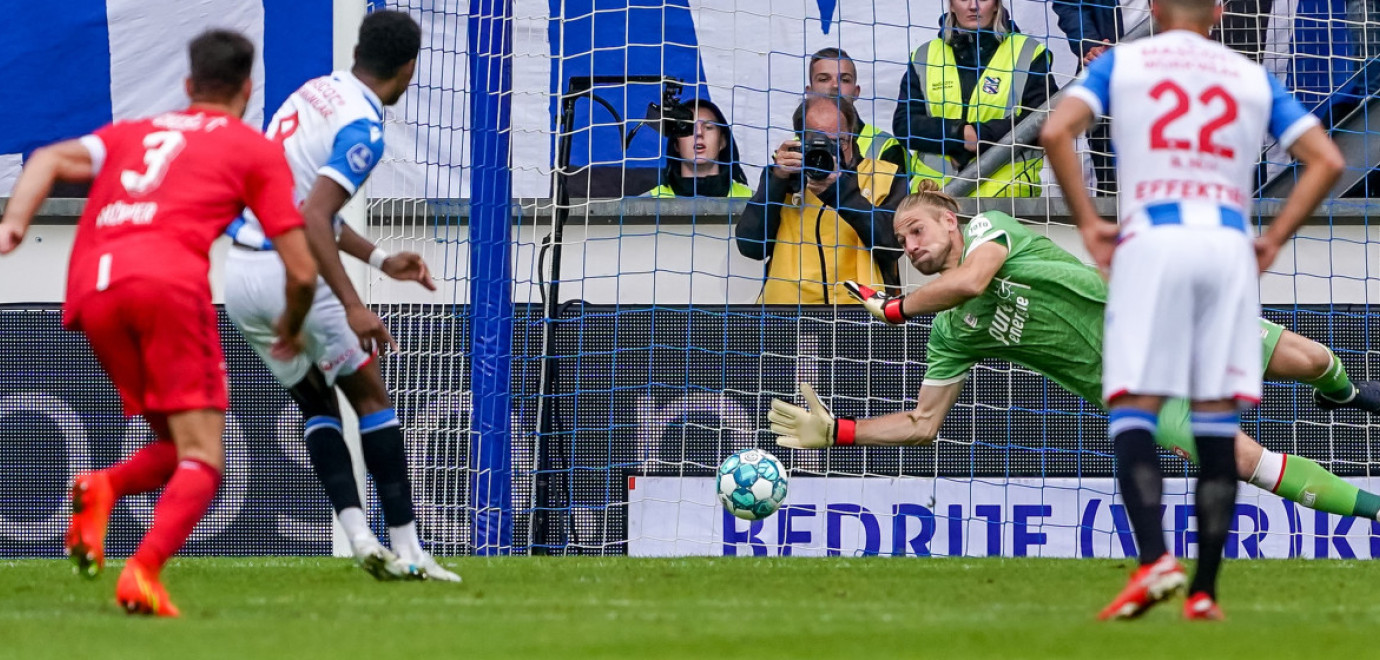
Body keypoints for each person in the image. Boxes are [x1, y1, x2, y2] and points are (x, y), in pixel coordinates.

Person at [773, 189, 1380, 533]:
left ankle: (1346, 395)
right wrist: (837, 434)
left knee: (1312, 358)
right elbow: (922, 424)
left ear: (949, 220)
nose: (910, 246)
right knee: (1245, 460)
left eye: (916, 230)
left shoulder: (990, 229)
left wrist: (897, 308)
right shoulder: (950, 334)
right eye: (902, 241)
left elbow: (973, 280)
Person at [1040, 0, 1345, 619]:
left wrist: (1091, 225)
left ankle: (1155, 562)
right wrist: (1275, 237)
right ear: (1223, 11)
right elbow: (1328, 160)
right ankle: (1205, 590)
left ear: (1151, 6)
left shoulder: (1124, 62)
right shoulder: (1249, 75)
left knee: (1134, 406)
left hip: (1152, 238)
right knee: (1214, 420)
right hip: (1226, 244)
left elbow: (1054, 131)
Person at [0, 30, 318, 616]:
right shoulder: (252, 148)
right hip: (164, 286)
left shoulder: (137, 132)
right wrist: (293, 329)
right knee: (206, 458)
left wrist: (13, 225)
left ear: (188, 85)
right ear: (248, 89)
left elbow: (47, 157)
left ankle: (104, 488)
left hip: (92, 289)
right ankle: (141, 573)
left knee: (174, 447)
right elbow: (300, 271)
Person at [223, 11, 458, 583]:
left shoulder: (314, 91)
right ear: (408, 68)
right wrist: (355, 303)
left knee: (316, 402)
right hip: (287, 269)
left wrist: (379, 258)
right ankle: (410, 551)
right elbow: (314, 214)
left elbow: (301, 201)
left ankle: (359, 537)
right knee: (373, 399)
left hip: (238, 274)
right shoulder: (364, 129)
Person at [736, 95, 905, 304]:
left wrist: (839, 191)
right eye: (817, 141)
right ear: (799, 141)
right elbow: (750, 247)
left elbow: (892, 246)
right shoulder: (784, 178)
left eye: (837, 141)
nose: (828, 150)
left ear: (852, 136)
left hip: (860, 313)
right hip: (786, 315)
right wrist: (776, 181)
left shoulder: (884, 175)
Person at [893, 0, 1057, 197]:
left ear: (997, 4)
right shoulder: (924, 55)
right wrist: (959, 135)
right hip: (935, 200)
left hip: (1007, 200)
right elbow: (905, 125)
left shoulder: (1028, 52)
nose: (973, 6)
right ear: (951, 5)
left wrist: (980, 135)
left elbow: (1044, 121)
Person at [1052, 0, 1127, 195]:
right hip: (1106, 76)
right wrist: (1088, 44)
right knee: (1111, 179)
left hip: (1164, 72)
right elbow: (1068, 5)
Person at [793, 48, 910, 173]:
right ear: (809, 92)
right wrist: (778, 177)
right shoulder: (794, 147)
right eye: (823, 79)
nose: (835, 86)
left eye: (844, 80)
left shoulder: (886, 147)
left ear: (856, 92)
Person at [645, 99, 752, 198]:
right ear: (676, 144)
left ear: (722, 141)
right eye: (689, 127)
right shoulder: (649, 202)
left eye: (708, 127)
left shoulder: (754, 203)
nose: (699, 133)